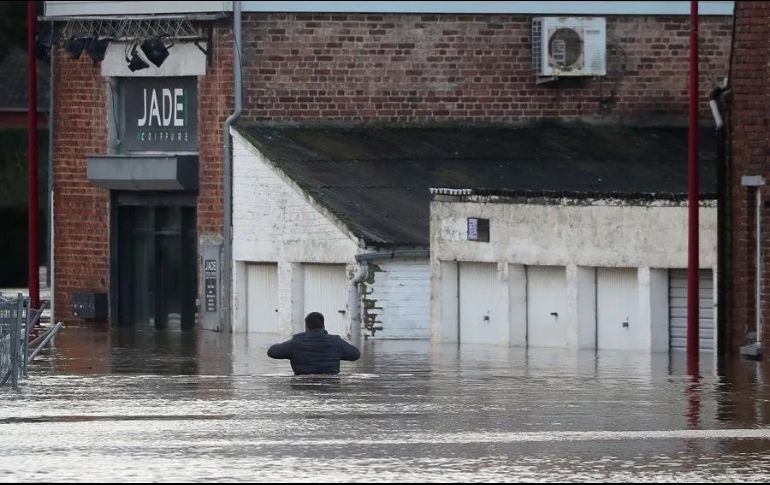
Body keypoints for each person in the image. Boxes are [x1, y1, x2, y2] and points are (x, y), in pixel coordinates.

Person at [267, 312, 360, 375]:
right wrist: (337, 353)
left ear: (306, 326)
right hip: (331, 384)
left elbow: (272, 352)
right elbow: (355, 354)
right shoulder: (336, 341)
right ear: (323, 325)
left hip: (302, 386)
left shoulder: (297, 341)